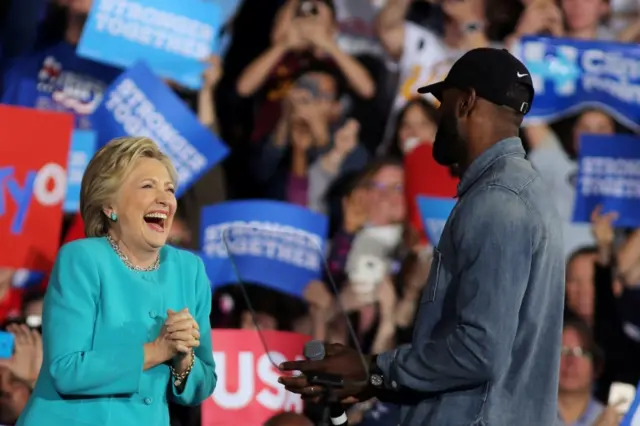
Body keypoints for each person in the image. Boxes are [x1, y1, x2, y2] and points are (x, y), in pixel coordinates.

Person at [279, 48, 565, 426]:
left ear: (466, 102)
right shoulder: (522, 193)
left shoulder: (498, 202)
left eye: (441, 101)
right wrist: (377, 380)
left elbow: (479, 351)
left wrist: (374, 370)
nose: (438, 115)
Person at [16, 137, 217, 426]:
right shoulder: (82, 259)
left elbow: (204, 382)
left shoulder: (190, 270)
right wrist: (158, 351)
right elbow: (67, 369)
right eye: (148, 186)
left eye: (169, 189)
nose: (165, 198)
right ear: (110, 205)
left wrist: (184, 362)